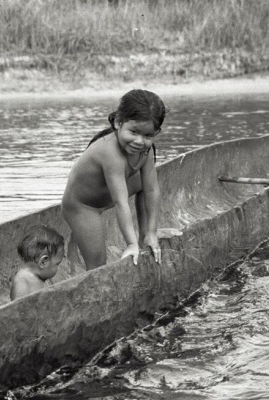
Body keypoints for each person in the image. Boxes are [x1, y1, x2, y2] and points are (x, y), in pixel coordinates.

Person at [62, 89, 166, 270]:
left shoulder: (146, 150)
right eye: (133, 132)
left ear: (156, 132)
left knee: (144, 184)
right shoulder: (110, 152)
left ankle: (144, 238)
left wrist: (152, 232)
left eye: (148, 135)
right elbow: (121, 202)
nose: (140, 141)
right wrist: (130, 244)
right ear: (118, 122)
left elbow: (151, 189)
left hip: (108, 195)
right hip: (85, 205)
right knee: (97, 266)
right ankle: (133, 243)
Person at [10, 225, 65, 301]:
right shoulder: (22, 284)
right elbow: (17, 310)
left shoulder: (39, 274)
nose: (58, 269)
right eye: (57, 264)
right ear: (43, 262)